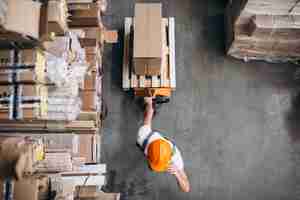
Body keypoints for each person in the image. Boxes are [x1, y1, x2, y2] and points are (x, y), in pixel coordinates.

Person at [137, 97, 190, 193]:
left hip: (153, 141)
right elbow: (148, 115)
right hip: (151, 140)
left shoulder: (175, 159)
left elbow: (186, 188)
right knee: (148, 116)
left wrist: (177, 173)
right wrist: (149, 104)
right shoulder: (143, 137)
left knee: (148, 117)